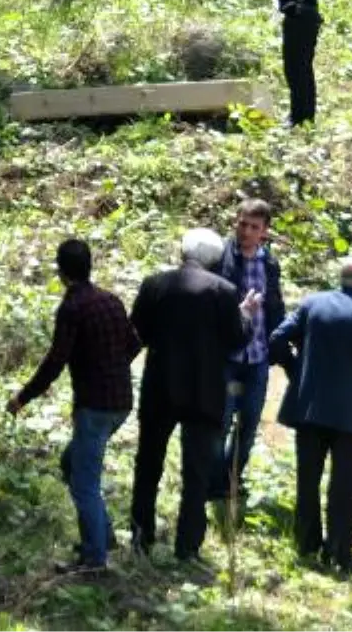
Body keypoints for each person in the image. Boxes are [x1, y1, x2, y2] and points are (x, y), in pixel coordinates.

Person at [7, 240, 142, 574]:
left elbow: (56, 361)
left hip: (94, 407)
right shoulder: (111, 300)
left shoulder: (72, 308)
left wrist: (22, 397)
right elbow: (134, 344)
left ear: (61, 271)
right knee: (71, 463)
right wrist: (111, 367)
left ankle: (95, 561)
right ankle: (102, 535)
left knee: (84, 484)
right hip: (121, 404)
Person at [129, 228, 258, 561]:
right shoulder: (223, 291)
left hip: (160, 387)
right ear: (215, 260)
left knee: (148, 465)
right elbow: (235, 340)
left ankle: (141, 536)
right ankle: (187, 547)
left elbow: (135, 334)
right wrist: (246, 315)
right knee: (196, 472)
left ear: (182, 251)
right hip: (204, 392)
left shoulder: (154, 284)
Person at [269, 258, 352, 573]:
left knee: (308, 480)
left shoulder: (313, 303)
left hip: (309, 408)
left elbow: (277, 339)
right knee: (344, 485)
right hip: (349, 411)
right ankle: (340, 553)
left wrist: (297, 371)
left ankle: (307, 545)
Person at [209, 198, 286, 507]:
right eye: (242, 224)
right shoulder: (221, 259)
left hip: (257, 357)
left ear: (264, 232)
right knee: (222, 420)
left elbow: (275, 307)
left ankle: (231, 479)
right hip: (227, 356)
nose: (246, 231)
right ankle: (213, 482)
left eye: (254, 227)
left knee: (250, 422)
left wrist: (280, 343)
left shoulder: (269, 263)